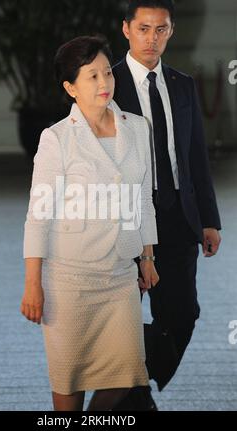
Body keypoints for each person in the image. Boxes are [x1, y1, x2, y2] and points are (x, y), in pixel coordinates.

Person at [20, 35, 159, 411]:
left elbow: (143, 198)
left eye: (106, 73)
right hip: (69, 281)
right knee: (69, 380)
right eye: (91, 76)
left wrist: (148, 256)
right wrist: (33, 285)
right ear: (70, 88)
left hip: (120, 277)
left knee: (129, 373)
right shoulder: (57, 140)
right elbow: (39, 214)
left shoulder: (138, 128)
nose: (103, 83)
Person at [112, 0, 222, 410]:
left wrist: (209, 220)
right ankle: (130, 397)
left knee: (183, 315)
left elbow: (195, 157)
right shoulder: (107, 83)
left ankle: (129, 387)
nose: (151, 38)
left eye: (160, 29)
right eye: (143, 28)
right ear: (126, 29)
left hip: (177, 217)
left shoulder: (181, 83)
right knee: (120, 317)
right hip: (125, 220)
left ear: (171, 31)